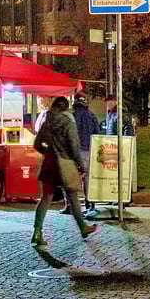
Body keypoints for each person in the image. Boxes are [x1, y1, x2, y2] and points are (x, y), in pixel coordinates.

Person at [32, 96, 98, 246]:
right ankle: (82, 227)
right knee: (72, 195)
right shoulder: (68, 121)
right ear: (66, 108)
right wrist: (80, 165)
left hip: (49, 163)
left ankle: (37, 232)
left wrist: (48, 152)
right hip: (65, 162)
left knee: (46, 197)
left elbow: (37, 144)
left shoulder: (46, 121)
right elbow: (74, 147)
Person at [72, 92, 100, 215]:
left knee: (71, 178)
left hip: (72, 151)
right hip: (87, 151)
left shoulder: (70, 115)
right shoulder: (91, 115)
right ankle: (90, 203)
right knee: (87, 177)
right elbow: (97, 134)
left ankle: (71, 205)